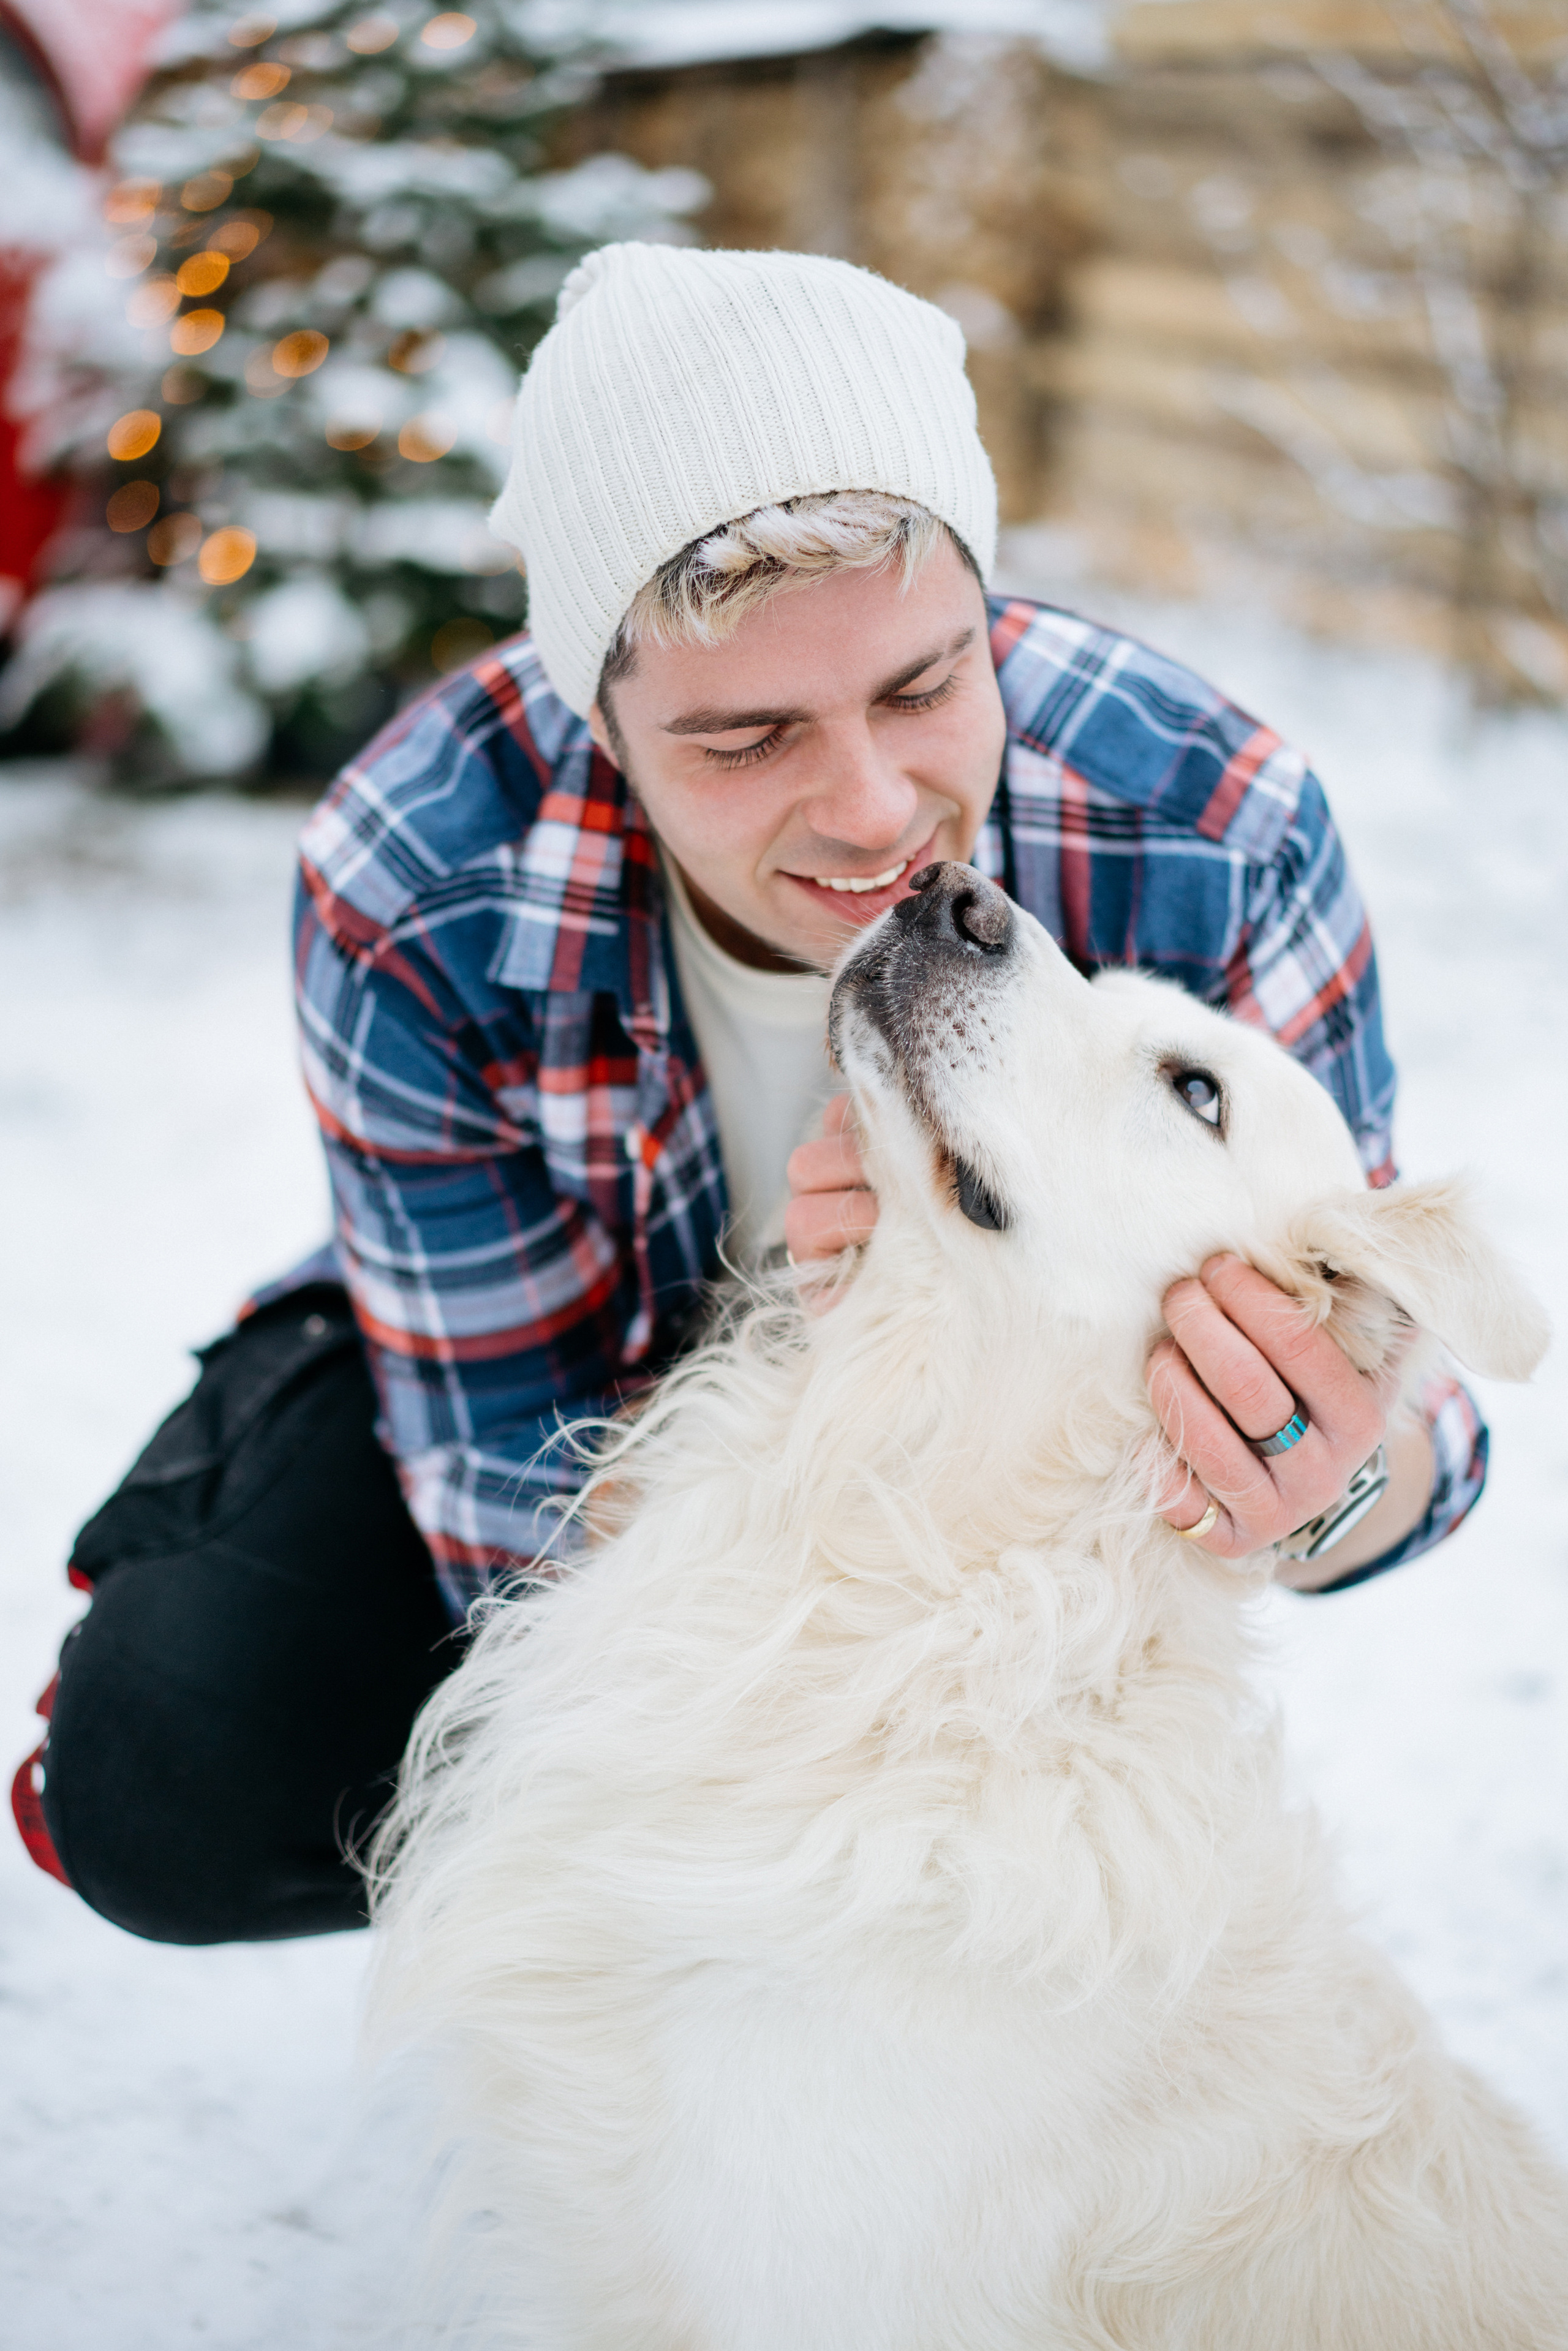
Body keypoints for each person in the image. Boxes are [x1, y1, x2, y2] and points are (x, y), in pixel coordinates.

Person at [15, 244, 1487, 1944]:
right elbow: (510, 1520)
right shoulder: (416, 879)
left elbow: (1418, 1435)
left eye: (926, 686)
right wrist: (810, 1336)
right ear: (600, 718)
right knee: (172, 1769)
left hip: (1005, 1515)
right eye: (745, 740)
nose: (872, 810)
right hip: (585, 1402)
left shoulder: (1215, 825)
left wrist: (1324, 1471)